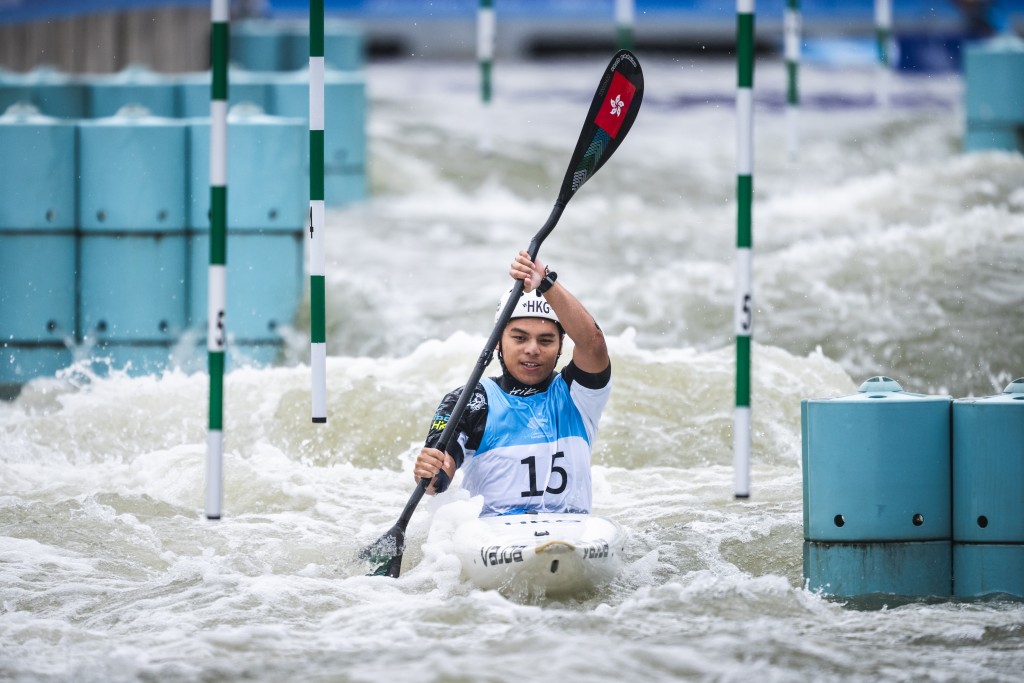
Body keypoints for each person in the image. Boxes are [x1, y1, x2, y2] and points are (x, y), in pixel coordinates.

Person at [412, 250, 612, 516]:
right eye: (519, 338)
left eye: (545, 340)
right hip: (494, 538)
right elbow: (441, 472)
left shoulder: (577, 395)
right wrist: (431, 471)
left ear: (561, 346)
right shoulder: (470, 400)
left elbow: (593, 344)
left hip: (570, 532)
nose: (532, 349)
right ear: (498, 341)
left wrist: (546, 282)